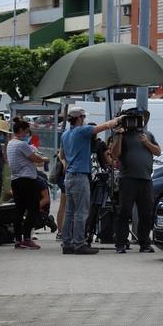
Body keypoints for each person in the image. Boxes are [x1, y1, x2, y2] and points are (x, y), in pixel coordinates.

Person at [60, 107, 121, 255]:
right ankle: (79, 244)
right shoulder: (82, 130)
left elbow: (62, 155)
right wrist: (119, 120)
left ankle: (67, 243)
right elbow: (105, 126)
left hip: (69, 175)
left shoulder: (65, 134)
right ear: (79, 118)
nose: (84, 119)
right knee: (81, 212)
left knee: (69, 212)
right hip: (80, 176)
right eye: (83, 117)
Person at [110, 111, 162, 253]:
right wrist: (119, 136)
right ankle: (121, 243)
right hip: (128, 179)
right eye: (131, 120)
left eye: (137, 119)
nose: (134, 122)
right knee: (124, 211)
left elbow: (158, 152)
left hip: (146, 179)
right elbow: (115, 155)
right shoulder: (122, 135)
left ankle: (144, 243)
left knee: (146, 212)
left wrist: (146, 143)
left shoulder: (148, 135)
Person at [7, 119, 49, 249]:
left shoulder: (10, 144)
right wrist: (44, 159)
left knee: (19, 210)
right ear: (20, 130)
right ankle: (27, 238)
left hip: (15, 180)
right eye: (26, 131)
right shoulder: (22, 145)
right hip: (27, 180)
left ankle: (18, 239)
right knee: (33, 209)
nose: (27, 134)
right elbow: (35, 159)